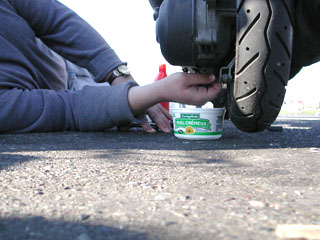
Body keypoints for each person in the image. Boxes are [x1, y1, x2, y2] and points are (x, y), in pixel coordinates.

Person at [0, 0, 221, 133]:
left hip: (68, 65)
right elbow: (65, 110)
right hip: (66, 98)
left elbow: (56, 21)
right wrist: (143, 95)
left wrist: (120, 76)